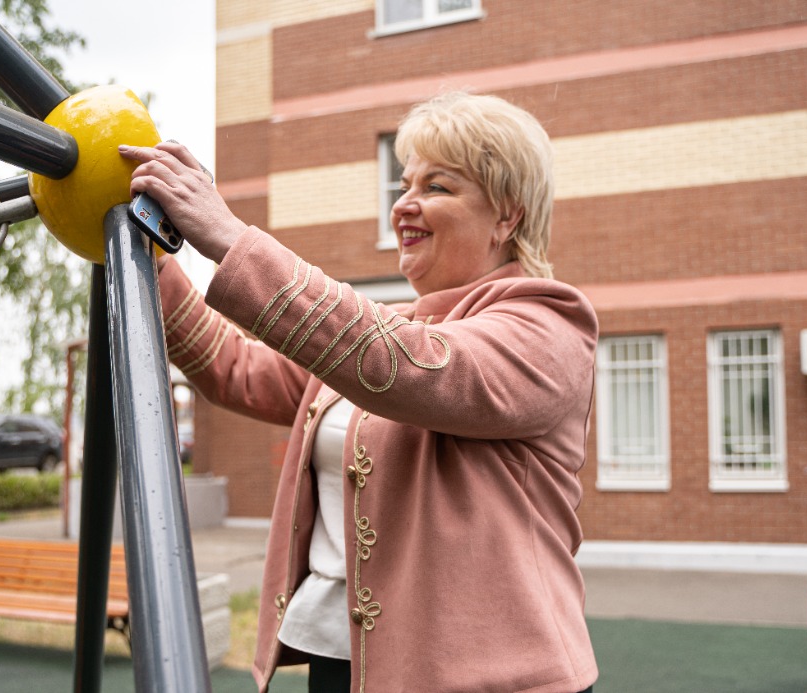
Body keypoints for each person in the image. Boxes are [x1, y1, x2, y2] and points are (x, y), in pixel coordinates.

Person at [120, 91, 598, 693]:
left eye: (438, 188)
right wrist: (148, 259)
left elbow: (413, 369)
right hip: (344, 658)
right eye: (404, 185)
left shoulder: (549, 324)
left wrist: (228, 238)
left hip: (490, 676)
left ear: (508, 215)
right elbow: (231, 366)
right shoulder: (376, 333)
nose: (405, 205)